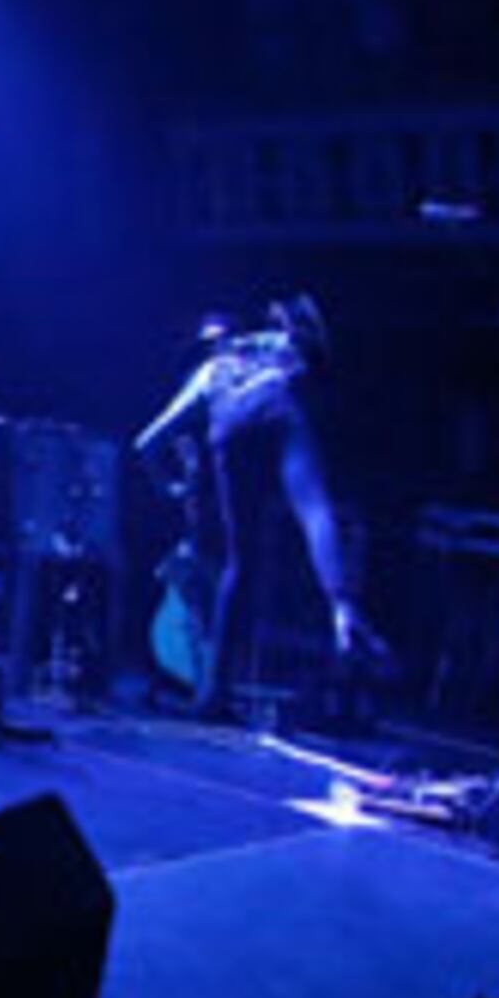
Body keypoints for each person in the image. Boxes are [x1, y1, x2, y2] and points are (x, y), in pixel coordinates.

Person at [133, 293, 382, 714]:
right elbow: (311, 342)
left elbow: (146, 444)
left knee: (239, 563)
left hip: (230, 424)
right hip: (282, 405)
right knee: (315, 511)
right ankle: (342, 612)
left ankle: (214, 694)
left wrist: (167, 488)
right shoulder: (274, 344)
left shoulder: (210, 371)